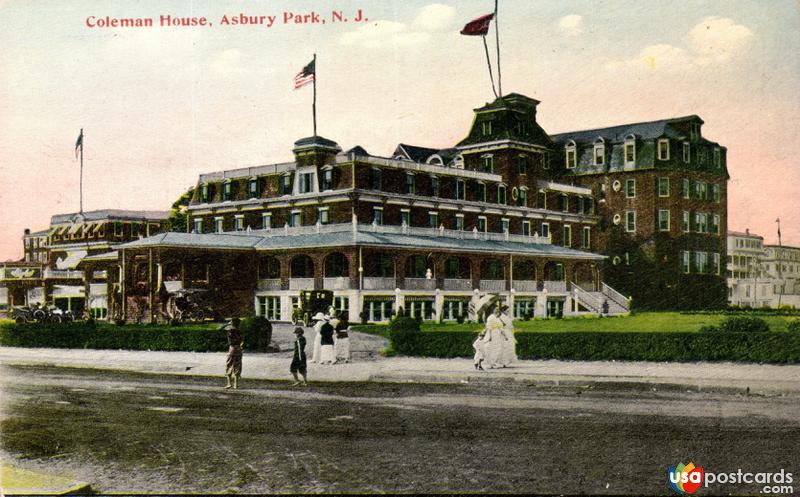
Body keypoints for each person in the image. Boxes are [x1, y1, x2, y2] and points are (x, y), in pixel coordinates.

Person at [223, 317, 243, 389]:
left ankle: (229, 383)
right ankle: (236, 384)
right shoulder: (240, 331)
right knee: (237, 366)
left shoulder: (230, 332)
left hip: (232, 349)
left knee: (229, 365)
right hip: (239, 349)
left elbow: (230, 342)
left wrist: (226, 324)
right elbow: (242, 341)